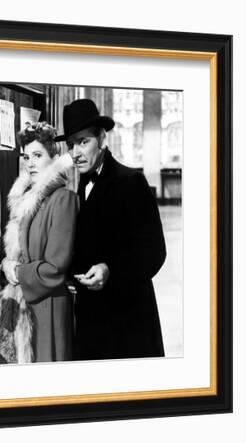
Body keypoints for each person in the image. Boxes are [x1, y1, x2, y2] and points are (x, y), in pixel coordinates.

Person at [56, 98, 166, 360]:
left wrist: (110, 270)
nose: (76, 153)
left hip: (128, 321)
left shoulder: (132, 182)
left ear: (102, 139)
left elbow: (154, 252)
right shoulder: (78, 186)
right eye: (71, 145)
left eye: (84, 142)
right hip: (90, 319)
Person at [0, 122, 78, 363]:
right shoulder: (26, 199)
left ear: (53, 157)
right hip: (23, 301)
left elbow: (55, 266)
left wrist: (17, 271)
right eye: (26, 156)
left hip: (48, 305)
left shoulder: (63, 199)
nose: (30, 163)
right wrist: (7, 264)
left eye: (37, 155)